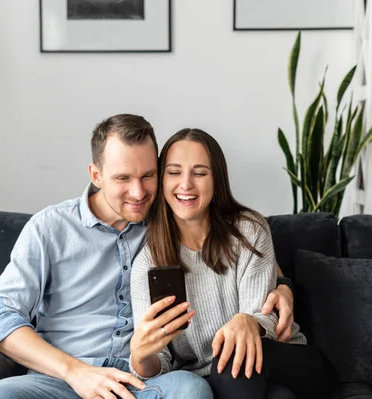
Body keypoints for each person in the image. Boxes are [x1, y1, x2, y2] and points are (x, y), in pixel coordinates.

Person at [0, 115, 296, 399]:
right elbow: (0, 319)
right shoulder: (49, 229)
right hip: (61, 380)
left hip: (140, 385)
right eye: (122, 179)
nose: (138, 193)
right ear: (96, 175)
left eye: (147, 176)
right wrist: (75, 372)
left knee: (191, 390)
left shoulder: (167, 213)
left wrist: (281, 284)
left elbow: (233, 239)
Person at [129, 128, 336, 399]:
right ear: (161, 179)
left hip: (286, 360)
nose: (186, 184)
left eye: (200, 173)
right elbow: (160, 365)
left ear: (217, 180)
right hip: (219, 383)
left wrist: (249, 321)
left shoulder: (248, 231)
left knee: (234, 357)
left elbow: (266, 320)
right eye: (174, 172)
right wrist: (140, 356)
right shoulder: (148, 263)